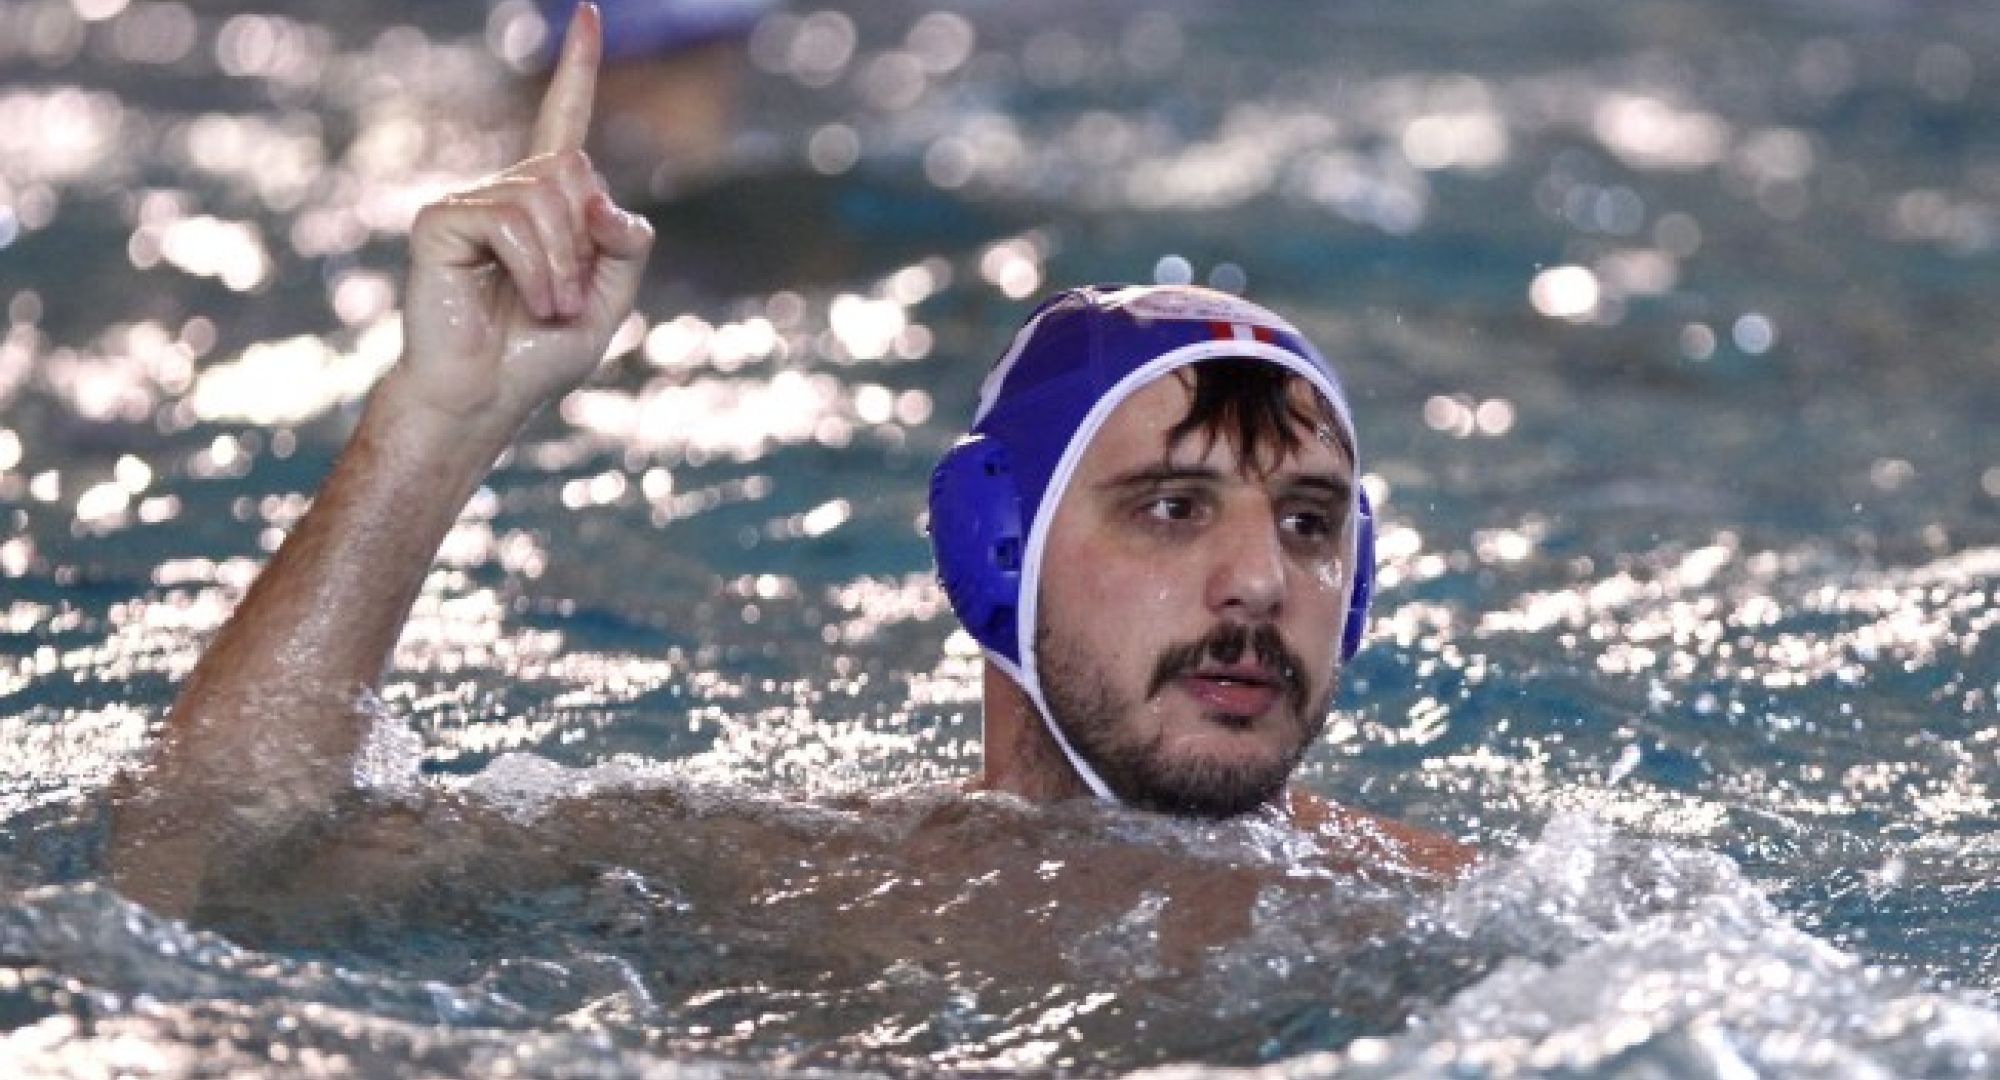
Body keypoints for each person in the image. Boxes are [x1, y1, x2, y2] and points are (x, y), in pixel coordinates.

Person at [107, 4, 1469, 927]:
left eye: (1310, 524)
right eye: (1172, 507)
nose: (1259, 580)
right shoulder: (789, 886)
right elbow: (206, 868)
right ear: (993, 552)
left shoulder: (1448, 912)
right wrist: (436, 423)